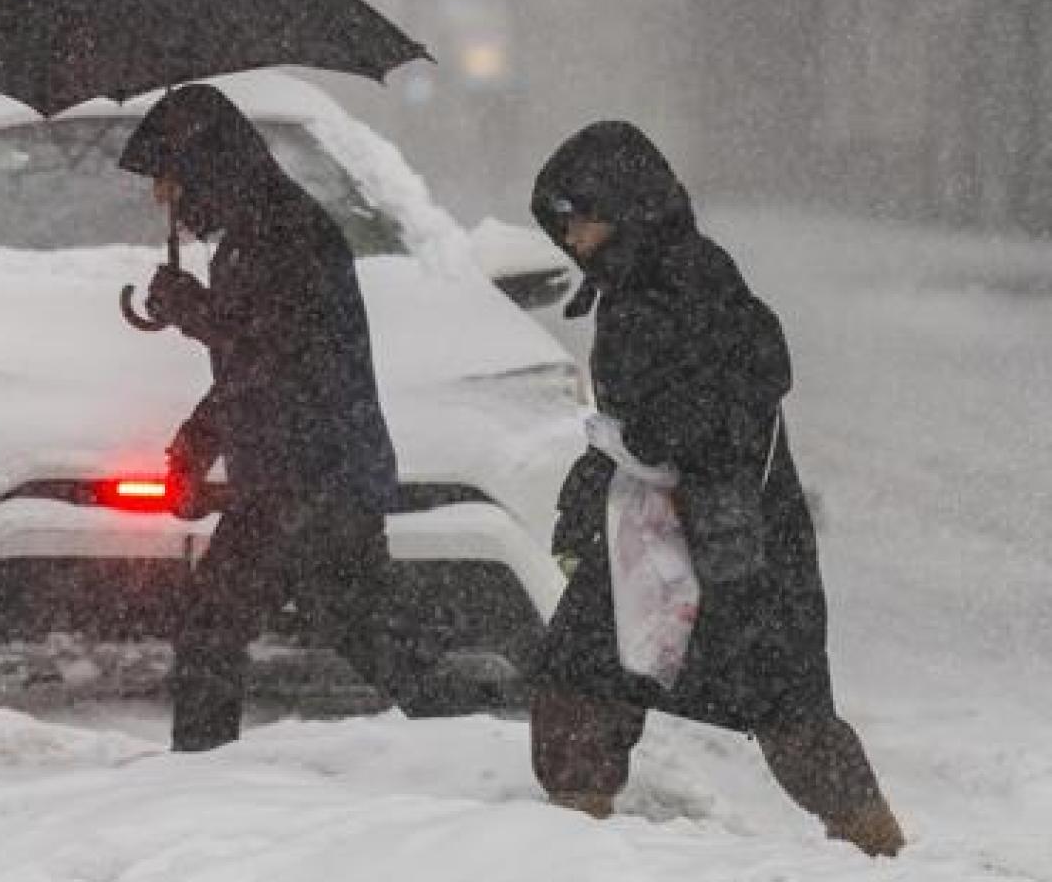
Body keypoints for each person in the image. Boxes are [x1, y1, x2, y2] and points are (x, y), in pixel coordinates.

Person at [525, 120, 905, 856]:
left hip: (733, 537)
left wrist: (661, 432)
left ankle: (882, 854)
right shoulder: (640, 279)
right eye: (563, 226)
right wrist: (607, 467)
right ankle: (563, 850)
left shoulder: (688, 279)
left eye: (582, 221)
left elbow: (753, 376)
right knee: (581, 686)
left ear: (627, 208)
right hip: (663, 530)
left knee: (790, 716)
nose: (572, 241)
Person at [118, 84, 480, 752]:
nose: (161, 198)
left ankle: (200, 780)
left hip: (312, 476)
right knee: (352, 625)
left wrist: (195, 313)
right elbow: (251, 365)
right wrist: (198, 439)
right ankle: (472, 733)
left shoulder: (286, 232)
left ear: (204, 167)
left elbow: (279, 350)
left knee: (221, 626)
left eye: (167, 179)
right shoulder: (253, 233)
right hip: (300, 475)